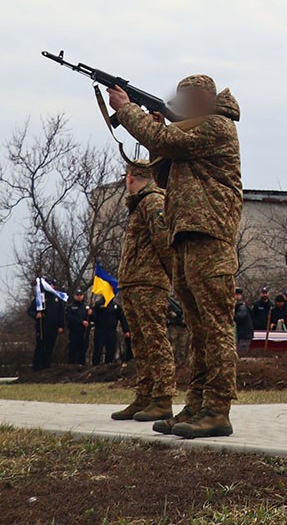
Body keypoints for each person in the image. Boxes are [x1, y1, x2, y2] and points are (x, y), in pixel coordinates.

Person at [108, 73, 242, 439]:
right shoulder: (193, 135)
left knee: (214, 329)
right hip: (185, 236)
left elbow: (167, 140)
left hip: (209, 236)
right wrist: (155, 134)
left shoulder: (217, 126)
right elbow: (165, 174)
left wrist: (127, 111)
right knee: (199, 331)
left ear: (202, 100)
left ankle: (217, 410)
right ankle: (196, 406)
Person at [111, 161, 177, 420]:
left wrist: (174, 278)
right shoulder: (139, 204)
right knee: (139, 342)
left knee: (155, 340)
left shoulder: (153, 202)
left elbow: (163, 242)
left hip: (149, 283)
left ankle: (163, 398)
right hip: (133, 282)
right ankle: (144, 396)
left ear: (130, 178)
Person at [26, 280, 65, 372]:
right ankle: (37, 368)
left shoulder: (57, 298)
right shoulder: (40, 298)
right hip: (42, 327)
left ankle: (47, 367)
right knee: (40, 347)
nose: (52, 287)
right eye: (50, 285)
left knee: (50, 348)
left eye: (54, 285)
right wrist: (36, 315)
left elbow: (61, 313)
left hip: (53, 328)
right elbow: (30, 310)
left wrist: (61, 326)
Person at [90, 297, 128, 365]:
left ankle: (108, 365)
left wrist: (126, 330)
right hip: (100, 331)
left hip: (112, 331)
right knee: (98, 350)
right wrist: (91, 314)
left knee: (111, 350)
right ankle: (95, 365)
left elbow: (122, 319)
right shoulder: (98, 304)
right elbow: (94, 318)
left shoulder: (116, 306)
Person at [64, 289, 92, 366]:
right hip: (74, 332)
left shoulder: (87, 307)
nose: (79, 297)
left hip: (84, 332)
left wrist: (91, 314)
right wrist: (81, 322)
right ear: (74, 296)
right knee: (72, 350)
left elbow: (92, 319)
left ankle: (81, 366)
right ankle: (71, 366)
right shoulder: (70, 306)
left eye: (81, 295)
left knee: (83, 351)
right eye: (77, 295)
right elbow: (69, 317)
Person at [234, 288, 254, 355]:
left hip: (244, 335)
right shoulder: (240, 307)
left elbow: (239, 317)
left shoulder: (242, 308)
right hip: (242, 335)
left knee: (241, 353)